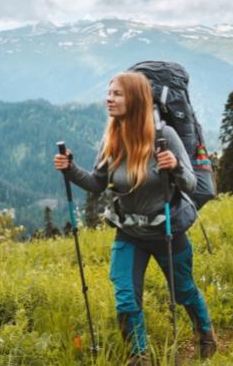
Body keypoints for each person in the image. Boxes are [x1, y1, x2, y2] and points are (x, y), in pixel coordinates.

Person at [53, 72, 215, 364]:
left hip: (167, 228)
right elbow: (97, 183)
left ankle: (205, 334)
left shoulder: (165, 136)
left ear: (136, 99)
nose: (109, 98)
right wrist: (70, 169)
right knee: (126, 298)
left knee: (183, 291)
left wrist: (175, 166)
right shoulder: (112, 139)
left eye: (117, 94)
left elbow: (191, 184)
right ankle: (138, 356)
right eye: (109, 92)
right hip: (129, 231)